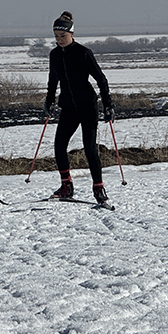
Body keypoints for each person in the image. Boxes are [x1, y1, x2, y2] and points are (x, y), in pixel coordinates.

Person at [44, 11, 114, 205]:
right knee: (59, 146)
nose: (59, 40)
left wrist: (108, 105)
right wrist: (48, 102)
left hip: (87, 107)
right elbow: (52, 81)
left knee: (90, 148)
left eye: (63, 36)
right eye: (56, 36)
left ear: (72, 34)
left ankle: (98, 189)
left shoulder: (83, 53)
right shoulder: (55, 55)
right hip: (68, 107)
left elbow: (101, 79)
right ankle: (66, 186)